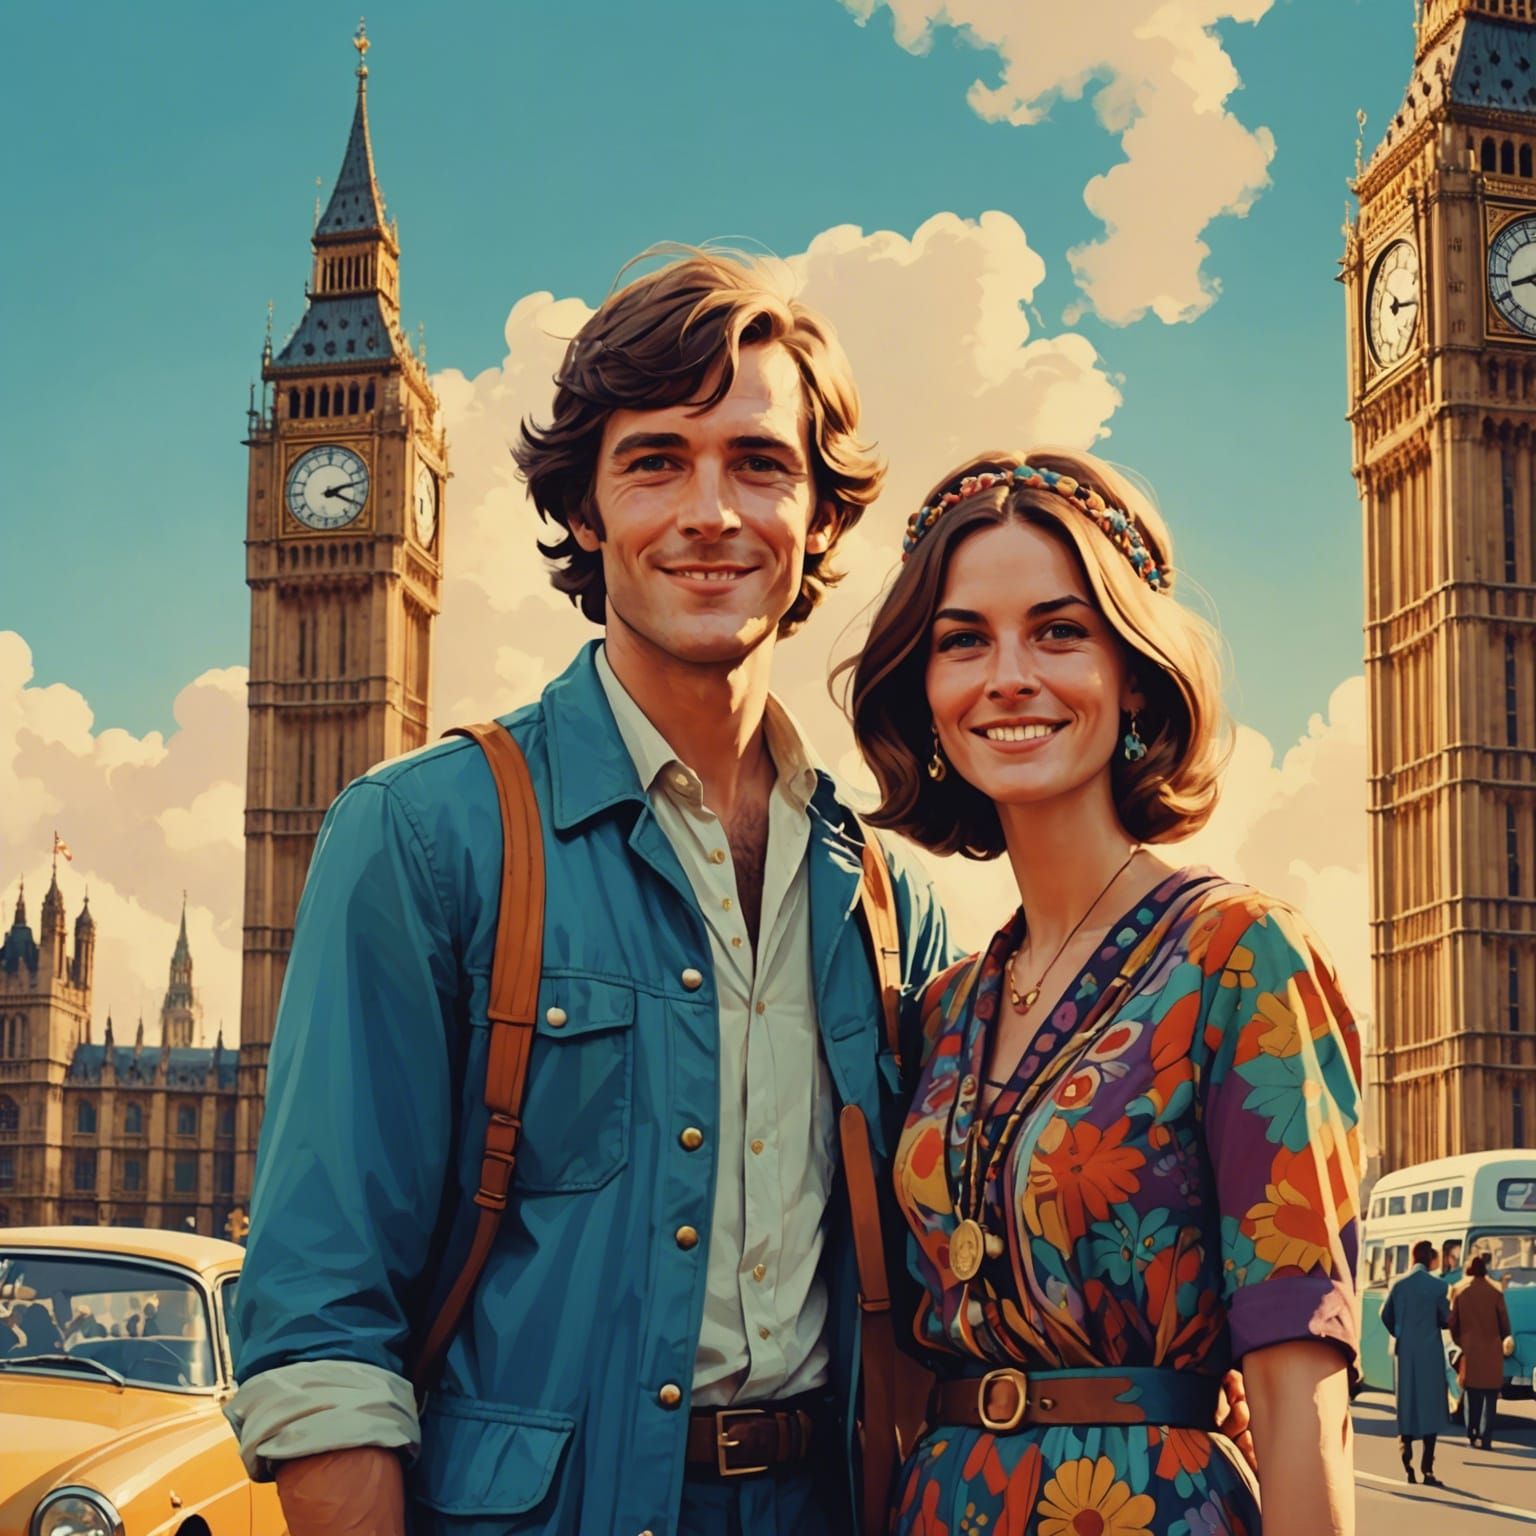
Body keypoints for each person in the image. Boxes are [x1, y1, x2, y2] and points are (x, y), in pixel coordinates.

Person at [225, 248, 954, 1536]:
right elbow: (323, 1329)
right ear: (583, 509)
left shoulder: (888, 903)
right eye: (657, 460)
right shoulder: (420, 839)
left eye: (759, 461)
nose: (710, 511)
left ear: (821, 516)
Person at [848, 449, 1362, 1536]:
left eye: (1059, 630)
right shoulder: (940, 1011)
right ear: (926, 692)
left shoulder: (1239, 957)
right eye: (963, 641)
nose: (1009, 675)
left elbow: (1295, 1383)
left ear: (1133, 673)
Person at [1381, 1239, 1450, 1484]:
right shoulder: (1439, 1286)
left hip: (1405, 1352)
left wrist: (1400, 1331)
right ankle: (1427, 1469)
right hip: (1430, 1352)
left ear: (1412, 1257)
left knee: (1407, 1403)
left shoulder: (1398, 1285)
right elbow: (1446, 1319)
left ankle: (1406, 1458)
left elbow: (1385, 1314)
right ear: (1430, 1259)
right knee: (1430, 1405)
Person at [1450, 1252, 1510, 1451]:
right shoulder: (1496, 1293)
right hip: (1492, 1351)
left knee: (1472, 1395)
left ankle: (1472, 1433)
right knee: (1490, 1398)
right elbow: (1505, 1326)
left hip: (1470, 1350)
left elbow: (1453, 1324)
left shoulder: (1460, 1292)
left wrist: (1460, 1342)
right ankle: (1487, 1438)